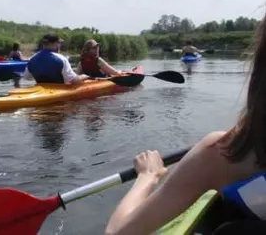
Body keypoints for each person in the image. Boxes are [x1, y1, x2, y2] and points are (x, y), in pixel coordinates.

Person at [104, 15, 266, 234]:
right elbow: (196, 54)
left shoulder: (224, 153)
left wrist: (147, 176)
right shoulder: (193, 49)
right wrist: (198, 54)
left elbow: (117, 233)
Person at [23, 34, 89, 84]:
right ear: (55, 44)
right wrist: (84, 76)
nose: (60, 45)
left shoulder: (32, 58)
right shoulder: (61, 59)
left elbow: (27, 77)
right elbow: (75, 81)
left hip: (40, 91)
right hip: (59, 93)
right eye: (59, 43)